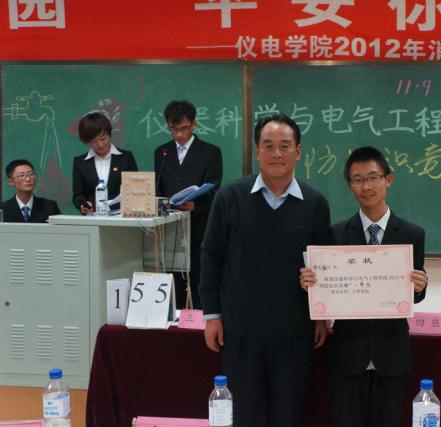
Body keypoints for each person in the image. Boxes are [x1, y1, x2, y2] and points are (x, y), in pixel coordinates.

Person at [200, 113, 329, 426]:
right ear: (257, 151)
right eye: (268, 145)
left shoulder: (315, 203)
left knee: (289, 413)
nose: (277, 153)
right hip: (240, 330)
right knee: (245, 414)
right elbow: (211, 256)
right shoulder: (229, 197)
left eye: (285, 145)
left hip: (294, 331)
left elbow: (324, 264)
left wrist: (321, 315)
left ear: (298, 152)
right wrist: (212, 315)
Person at [300, 146, 428, 427]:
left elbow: (415, 296)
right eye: (358, 180)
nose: (366, 186)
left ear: (388, 179)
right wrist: (311, 284)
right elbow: (327, 289)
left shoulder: (411, 235)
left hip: (391, 351)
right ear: (350, 185)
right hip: (348, 351)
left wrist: (419, 285)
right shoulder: (335, 235)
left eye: (373, 177)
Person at [154, 100, 222, 309]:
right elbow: (157, 186)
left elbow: (214, 188)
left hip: (199, 226)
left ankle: (202, 322)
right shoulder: (162, 152)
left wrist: (196, 205)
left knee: (200, 280)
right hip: (169, 226)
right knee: (173, 281)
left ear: (194, 124)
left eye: (184, 129)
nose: (179, 135)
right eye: (173, 129)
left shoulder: (210, 152)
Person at [72, 111, 138, 214]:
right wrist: (83, 205)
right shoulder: (80, 162)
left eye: (103, 138)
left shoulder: (126, 158)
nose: (100, 144)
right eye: (93, 141)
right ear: (87, 142)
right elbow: (78, 195)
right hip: (93, 217)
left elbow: (136, 189)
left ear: (109, 133)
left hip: (122, 217)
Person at [2, 159, 60, 223]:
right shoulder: (3, 209)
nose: (28, 179)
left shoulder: (50, 206)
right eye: (21, 175)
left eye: (31, 174)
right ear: (10, 181)